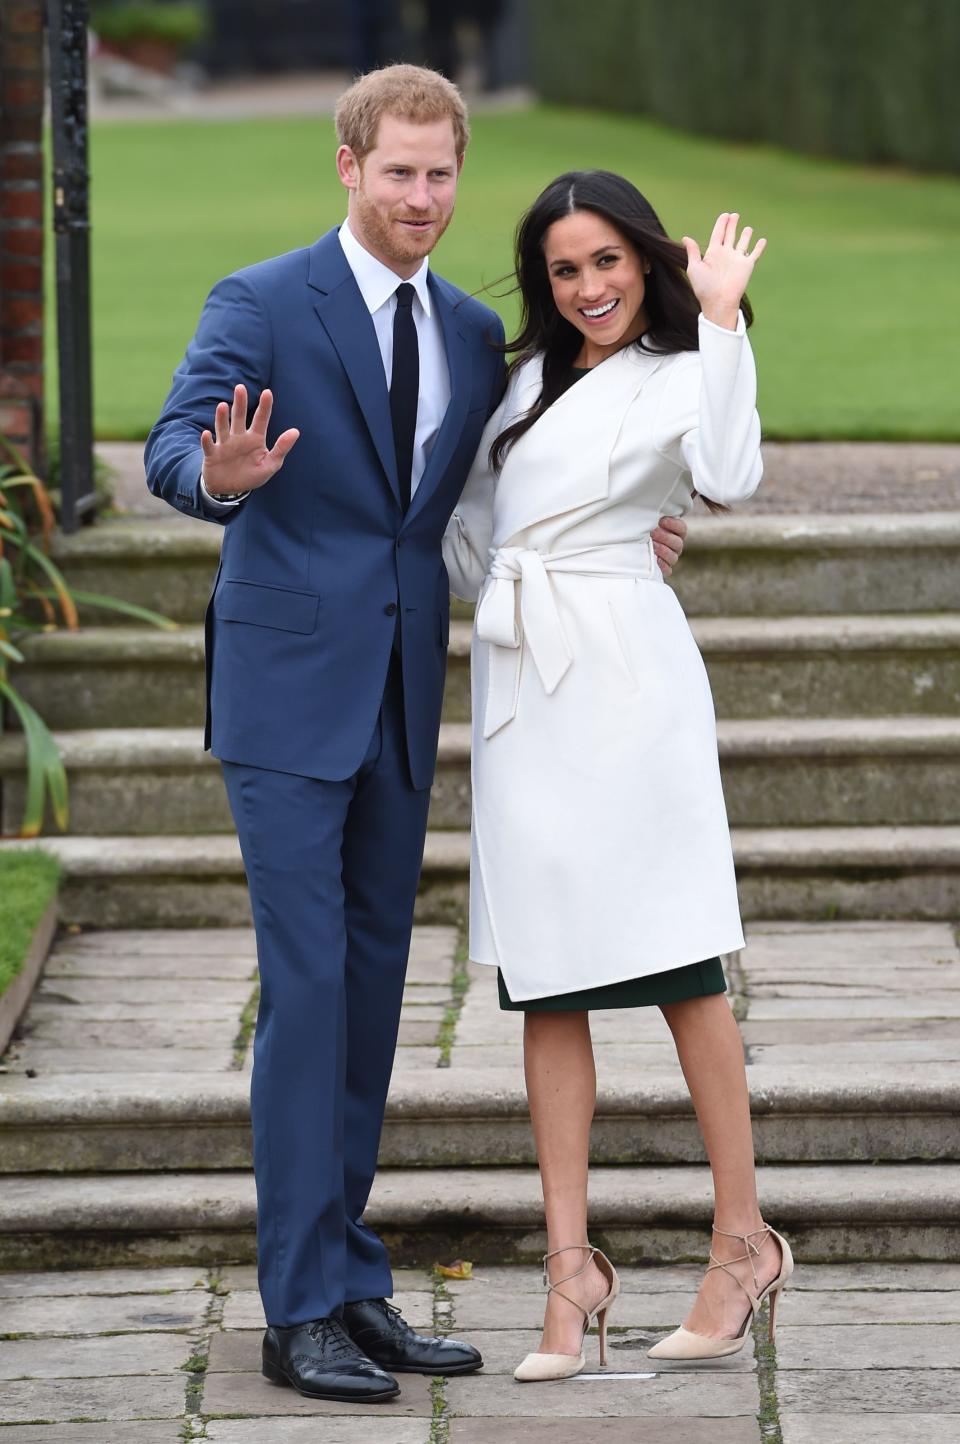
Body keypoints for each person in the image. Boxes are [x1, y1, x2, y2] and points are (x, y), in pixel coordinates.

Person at [144, 63, 688, 1405]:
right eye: (398, 171)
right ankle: (297, 1307)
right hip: (281, 699)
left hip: (398, 696)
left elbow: (480, 511)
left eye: (442, 174)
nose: (422, 197)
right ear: (348, 165)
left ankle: (348, 1274)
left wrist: (620, 538)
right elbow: (169, 450)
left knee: (376, 995)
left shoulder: (461, 328)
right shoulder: (261, 302)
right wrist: (216, 478)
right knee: (311, 987)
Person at [443, 171, 794, 1383]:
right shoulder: (522, 386)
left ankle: (743, 1241)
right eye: (564, 270)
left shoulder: (684, 364)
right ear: (544, 284)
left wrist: (725, 319)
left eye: (608, 262)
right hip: (526, 685)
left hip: (629, 684)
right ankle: (568, 1270)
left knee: (681, 962)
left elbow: (735, 471)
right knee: (545, 978)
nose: (589, 287)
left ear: (645, 260)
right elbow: (474, 533)